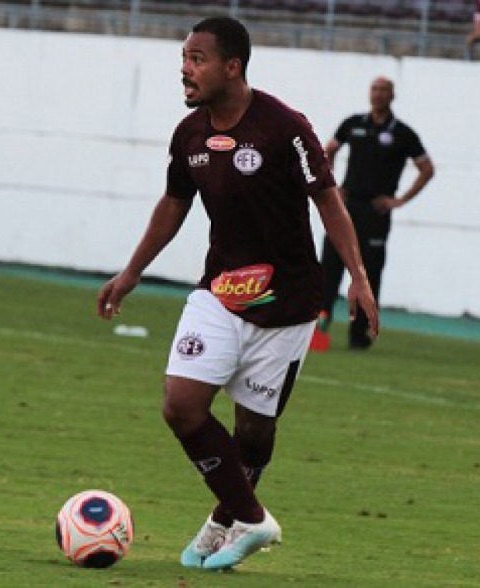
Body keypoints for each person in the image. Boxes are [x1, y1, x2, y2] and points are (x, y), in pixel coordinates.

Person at [96, 16, 378, 571]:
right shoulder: (191, 135)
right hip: (219, 294)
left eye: (197, 59)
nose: (185, 69)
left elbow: (328, 201)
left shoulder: (284, 128)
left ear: (233, 66)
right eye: (184, 57)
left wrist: (358, 278)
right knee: (182, 406)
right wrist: (131, 273)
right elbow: (173, 204)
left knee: (254, 429)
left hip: (287, 306)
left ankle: (228, 517)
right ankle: (252, 518)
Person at [317, 77, 434, 350]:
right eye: (374, 89)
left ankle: (359, 334)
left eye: (383, 91)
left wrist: (399, 200)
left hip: (375, 212)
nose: (378, 95)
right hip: (346, 206)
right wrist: (332, 187)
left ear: (392, 96)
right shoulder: (353, 124)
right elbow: (328, 150)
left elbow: (427, 169)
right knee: (330, 266)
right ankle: (320, 326)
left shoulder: (403, 134)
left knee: (369, 272)